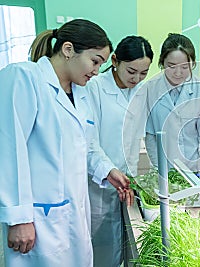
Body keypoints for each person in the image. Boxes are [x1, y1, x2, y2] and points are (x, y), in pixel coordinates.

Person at [0, 19, 127, 267]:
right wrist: (18, 218)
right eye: (95, 61)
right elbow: (8, 150)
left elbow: (87, 146)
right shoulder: (24, 77)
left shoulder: (80, 94)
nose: (96, 70)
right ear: (68, 49)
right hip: (37, 218)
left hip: (73, 214)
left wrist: (107, 171)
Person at [85, 36, 153, 267]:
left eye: (143, 73)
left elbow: (138, 138)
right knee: (100, 248)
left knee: (126, 246)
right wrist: (109, 170)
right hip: (98, 183)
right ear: (115, 61)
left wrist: (138, 175)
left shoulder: (142, 91)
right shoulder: (94, 88)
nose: (137, 79)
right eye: (131, 71)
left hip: (127, 182)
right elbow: (89, 142)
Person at [144, 33, 200, 174]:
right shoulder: (150, 89)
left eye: (184, 67)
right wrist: (159, 170)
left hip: (196, 168)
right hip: (164, 167)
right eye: (171, 66)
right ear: (162, 63)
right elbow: (150, 135)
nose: (178, 73)